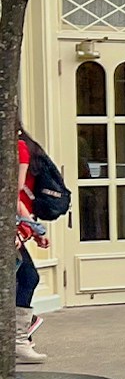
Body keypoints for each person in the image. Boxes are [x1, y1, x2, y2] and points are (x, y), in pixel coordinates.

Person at [14, 126, 47, 364]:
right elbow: (11, 193)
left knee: (26, 276)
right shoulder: (19, 148)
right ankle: (17, 341)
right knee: (27, 277)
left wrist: (31, 228)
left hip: (12, 226)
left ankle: (18, 339)